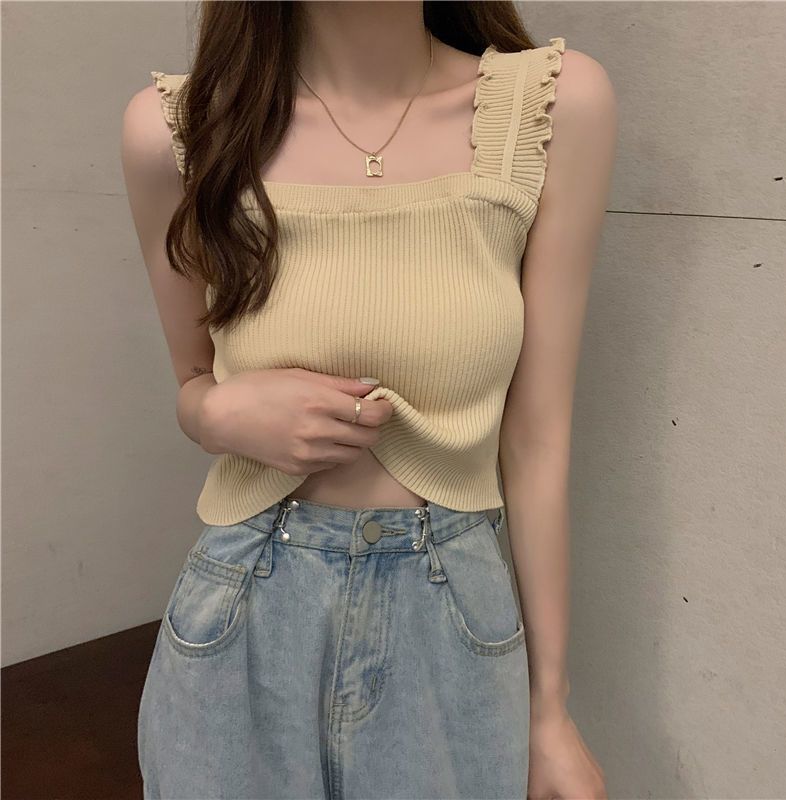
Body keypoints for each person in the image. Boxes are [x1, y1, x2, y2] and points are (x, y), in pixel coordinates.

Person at [121, 1, 616, 798]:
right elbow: (193, 383)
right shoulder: (178, 128)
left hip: (451, 607)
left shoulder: (550, 108)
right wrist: (216, 413)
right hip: (244, 607)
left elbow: (538, 440)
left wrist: (549, 709)